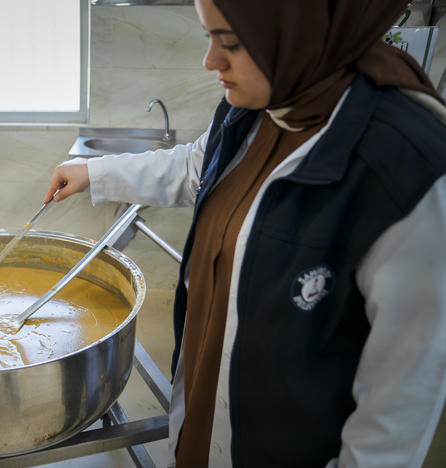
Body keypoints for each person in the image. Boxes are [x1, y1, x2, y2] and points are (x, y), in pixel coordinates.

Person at [44, 0, 446, 466]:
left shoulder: (410, 173)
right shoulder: (259, 105)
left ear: (300, 31)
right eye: (208, 36)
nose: (211, 61)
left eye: (231, 43)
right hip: (205, 418)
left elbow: (392, 421)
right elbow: (198, 166)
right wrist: (94, 172)